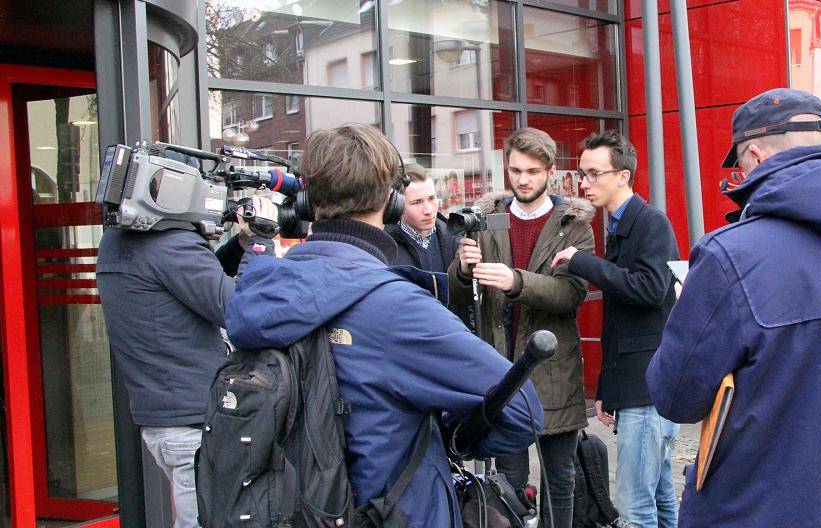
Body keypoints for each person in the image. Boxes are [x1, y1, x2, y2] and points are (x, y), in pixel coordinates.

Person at [224, 123, 544, 527]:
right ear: (393, 203)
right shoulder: (397, 308)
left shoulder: (259, 291)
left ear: (306, 202)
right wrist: (454, 436)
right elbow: (522, 412)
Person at [646, 88, 821, 527]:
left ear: (755, 155)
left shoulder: (728, 256)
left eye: (738, 166)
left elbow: (674, 397)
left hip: (744, 512)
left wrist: (686, 312)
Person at [97, 194, 278, 528]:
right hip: (192, 425)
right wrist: (260, 242)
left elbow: (199, 283)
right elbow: (242, 312)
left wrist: (238, 245)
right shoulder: (172, 245)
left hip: (164, 418)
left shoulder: (119, 241)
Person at [449, 126, 595, 527]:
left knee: (559, 479)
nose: (523, 179)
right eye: (515, 170)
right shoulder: (486, 220)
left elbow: (571, 294)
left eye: (532, 171)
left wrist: (517, 282)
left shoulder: (573, 224)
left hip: (554, 371)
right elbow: (458, 296)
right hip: (500, 372)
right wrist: (463, 272)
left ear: (550, 171)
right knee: (506, 483)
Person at [552, 130, 680, 528]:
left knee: (636, 510)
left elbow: (650, 289)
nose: (585, 184)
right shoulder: (624, 224)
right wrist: (608, 390)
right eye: (582, 175)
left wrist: (581, 262)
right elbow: (622, 321)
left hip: (648, 388)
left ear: (622, 176)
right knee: (659, 498)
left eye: (593, 174)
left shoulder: (650, 223)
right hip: (637, 386)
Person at [385, 163, 459, 274]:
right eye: (416, 202)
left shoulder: (455, 240)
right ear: (396, 205)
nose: (428, 210)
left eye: (432, 198)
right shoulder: (385, 247)